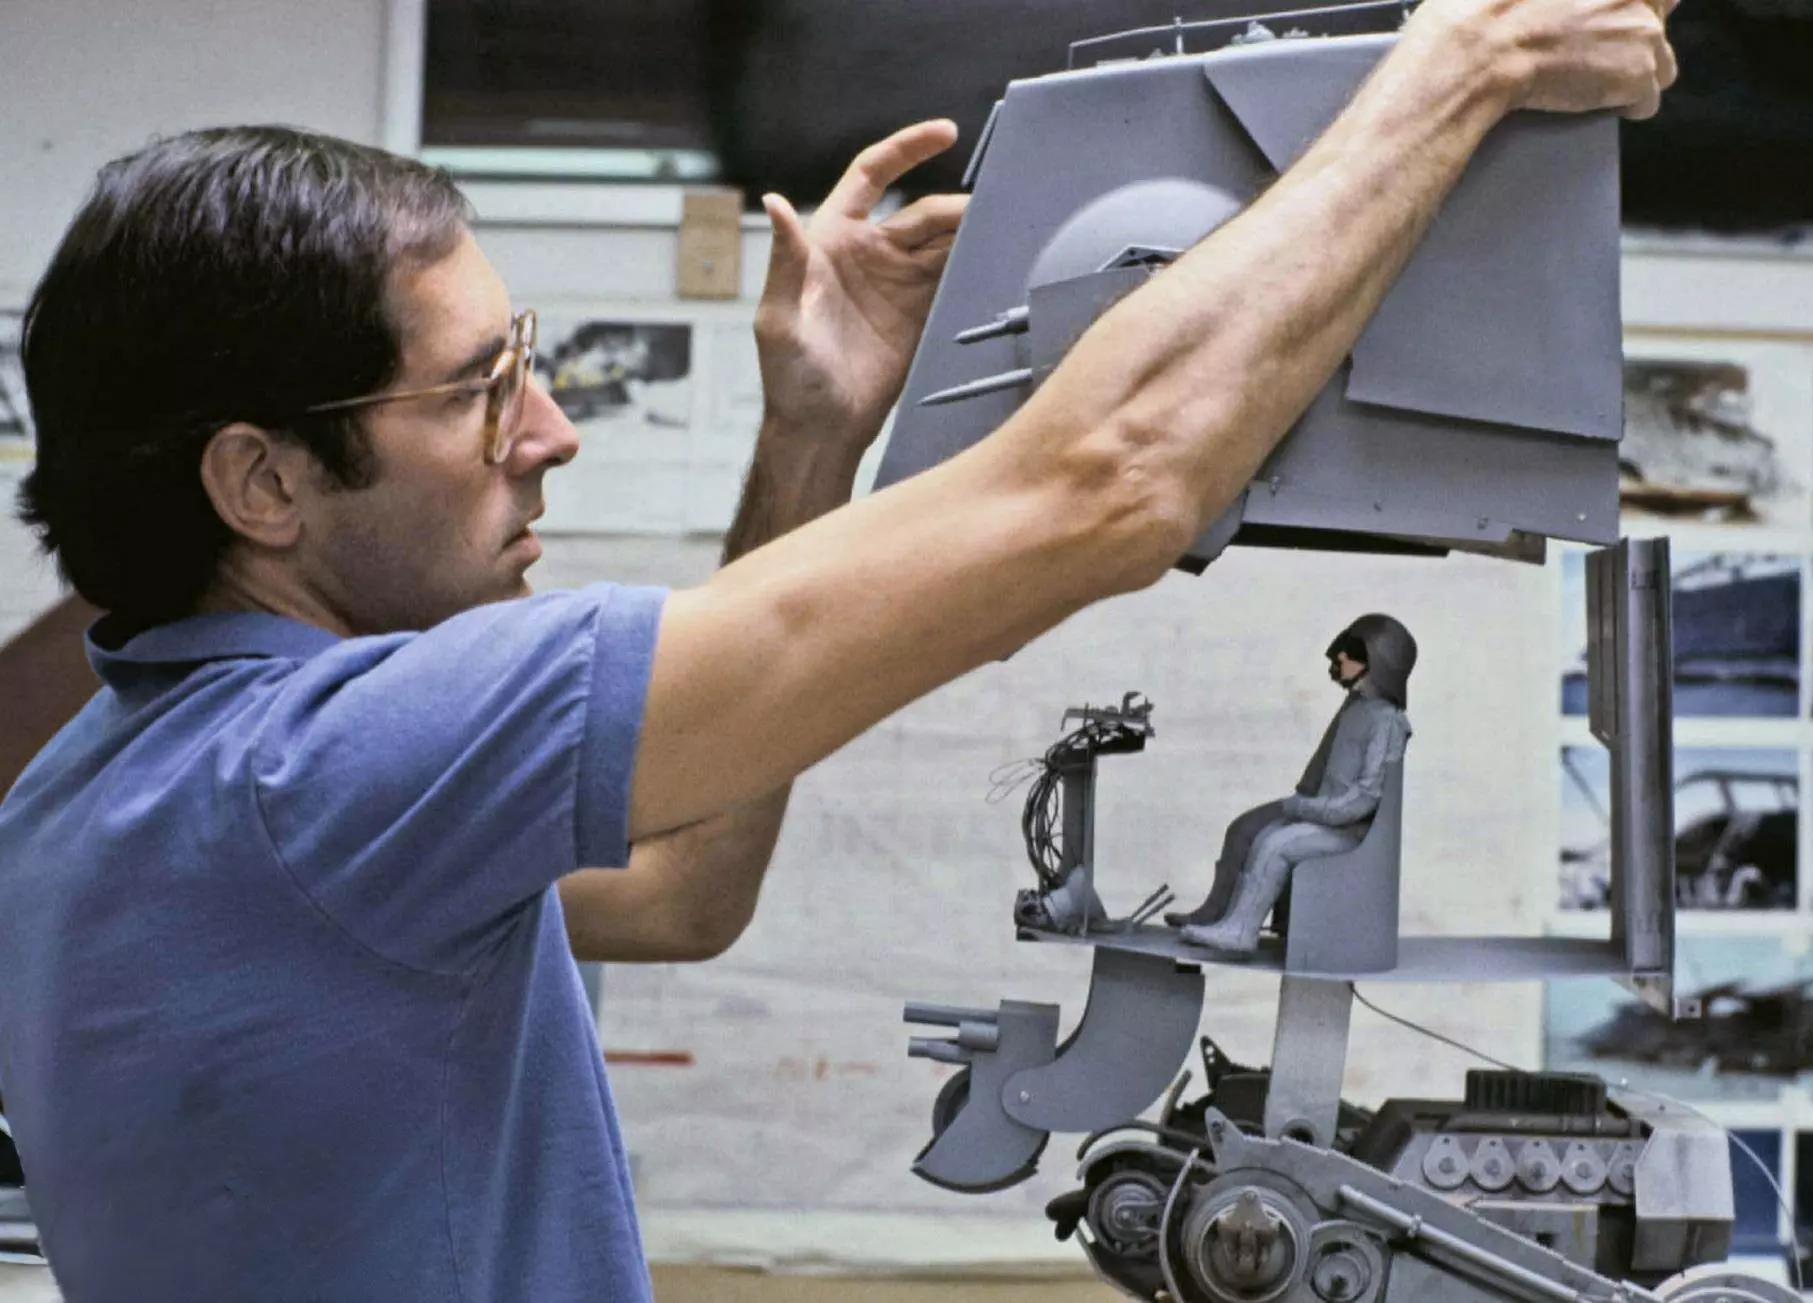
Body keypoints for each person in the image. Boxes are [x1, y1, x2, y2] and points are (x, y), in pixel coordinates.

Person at [0, 1, 1677, 1298]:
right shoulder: (336, 762)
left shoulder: (115, 795)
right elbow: (1113, 483)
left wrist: (811, 438)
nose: (552, 432)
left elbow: (680, 886)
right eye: (479, 390)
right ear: (262, 483)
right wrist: (1466, 60)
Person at [1178, 615, 1416, 955]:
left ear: (1379, 661)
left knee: (1275, 844)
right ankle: (1225, 917)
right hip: (1329, 818)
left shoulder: (1387, 722)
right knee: (1256, 831)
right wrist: (1306, 805)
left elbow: (1364, 798)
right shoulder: (1358, 709)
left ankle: (1241, 931)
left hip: (1351, 832)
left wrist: (1306, 809)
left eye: (1352, 652)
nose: (1340, 657)